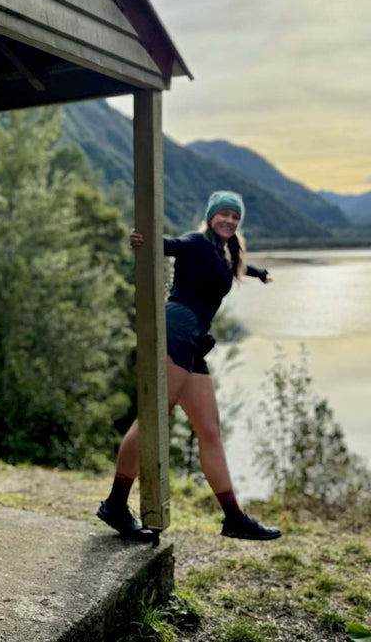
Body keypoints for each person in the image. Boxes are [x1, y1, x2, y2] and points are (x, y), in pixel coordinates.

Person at [97, 190, 282, 541]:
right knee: (154, 416)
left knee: (209, 429)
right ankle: (116, 504)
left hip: (195, 337)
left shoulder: (226, 251)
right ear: (211, 216)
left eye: (234, 216)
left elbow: (238, 268)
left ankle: (234, 518)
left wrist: (260, 273)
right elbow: (168, 246)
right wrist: (142, 240)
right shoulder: (197, 242)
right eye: (223, 214)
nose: (229, 220)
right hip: (178, 327)